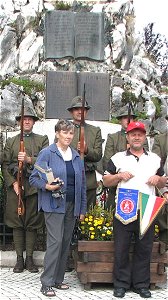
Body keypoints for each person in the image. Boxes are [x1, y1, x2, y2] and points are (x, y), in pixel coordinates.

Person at [103, 121, 166, 298]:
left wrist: (157, 179)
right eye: (133, 134)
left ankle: (141, 284)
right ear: (127, 137)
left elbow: (163, 180)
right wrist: (118, 176)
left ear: (145, 137)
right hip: (125, 205)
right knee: (121, 247)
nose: (136, 137)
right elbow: (105, 181)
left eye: (140, 134)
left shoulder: (154, 159)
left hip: (147, 205)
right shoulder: (117, 158)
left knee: (144, 247)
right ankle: (121, 284)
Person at [29, 119, 87, 297]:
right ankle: (46, 283)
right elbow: (33, 179)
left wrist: (82, 209)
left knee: (65, 242)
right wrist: (48, 187)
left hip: (72, 204)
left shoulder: (76, 156)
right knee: (55, 243)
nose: (68, 136)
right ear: (57, 134)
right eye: (64, 132)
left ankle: (58, 279)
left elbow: (82, 185)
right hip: (54, 204)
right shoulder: (47, 153)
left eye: (70, 133)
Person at [2, 107, 49, 273]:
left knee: (32, 223)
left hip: (34, 187)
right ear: (19, 122)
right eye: (23, 119)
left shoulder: (42, 140)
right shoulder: (11, 141)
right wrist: (13, 183)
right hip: (16, 187)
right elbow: (5, 165)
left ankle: (29, 258)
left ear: (34, 122)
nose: (26, 121)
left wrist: (29, 159)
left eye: (30, 119)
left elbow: (45, 161)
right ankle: (19, 259)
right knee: (16, 223)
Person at [102, 107, 149, 209]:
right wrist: (118, 176)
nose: (128, 120)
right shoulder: (113, 137)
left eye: (131, 118)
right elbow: (107, 160)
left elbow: (146, 160)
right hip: (116, 184)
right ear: (120, 120)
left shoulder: (142, 139)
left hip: (138, 185)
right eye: (125, 118)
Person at [67, 96, 102, 208]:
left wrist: (86, 150)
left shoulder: (95, 131)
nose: (80, 112)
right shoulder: (64, 130)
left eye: (83, 109)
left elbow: (98, 155)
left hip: (88, 181)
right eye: (76, 109)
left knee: (88, 217)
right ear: (72, 112)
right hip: (69, 179)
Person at [152, 131, 168, 247]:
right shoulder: (160, 139)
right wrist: (164, 192)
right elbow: (156, 169)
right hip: (165, 187)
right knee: (164, 227)